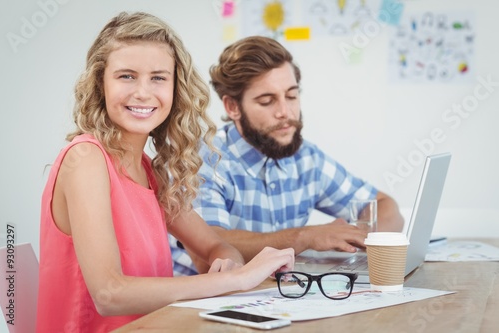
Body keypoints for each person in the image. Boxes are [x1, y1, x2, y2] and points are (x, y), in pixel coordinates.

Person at [36, 13, 294, 332]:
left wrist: (229, 263)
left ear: (175, 88)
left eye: (158, 77)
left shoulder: (147, 169)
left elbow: (215, 246)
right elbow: (109, 294)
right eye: (126, 76)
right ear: (100, 84)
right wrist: (236, 279)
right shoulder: (86, 158)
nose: (143, 92)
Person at [170, 36, 404, 276]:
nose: (285, 112)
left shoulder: (306, 158)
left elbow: (386, 208)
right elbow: (208, 247)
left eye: (291, 96)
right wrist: (305, 237)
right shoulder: (204, 161)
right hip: (196, 303)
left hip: (273, 296)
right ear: (232, 107)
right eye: (267, 101)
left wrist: (357, 239)